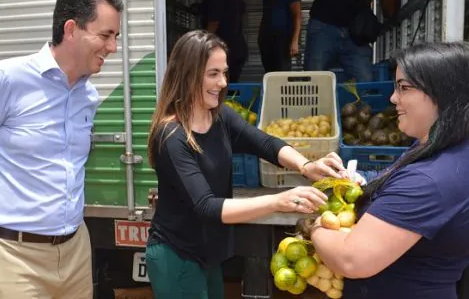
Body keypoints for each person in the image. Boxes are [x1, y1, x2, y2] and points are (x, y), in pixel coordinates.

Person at [0, 0, 123, 298]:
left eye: (116, 37)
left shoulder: (88, 96)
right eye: (106, 35)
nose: (113, 48)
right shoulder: (7, 79)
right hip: (13, 257)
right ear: (71, 29)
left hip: (75, 251)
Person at [145, 30, 347, 298]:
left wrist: (306, 166)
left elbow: (266, 144)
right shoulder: (171, 136)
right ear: (187, 75)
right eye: (213, 73)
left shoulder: (221, 117)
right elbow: (207, 206)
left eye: (224, 72)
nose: (222, 82)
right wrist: (276, 201)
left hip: (207, 253)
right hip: (177, 255)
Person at [310, 41, 469, 299]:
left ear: (442, 92)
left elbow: (351, 259)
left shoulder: (429, 181)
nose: (393, 98)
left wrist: (315, 226)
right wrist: (364, 181)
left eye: (404, 88)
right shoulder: (448, 149)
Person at [304, 0, 398, 82]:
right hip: (325, 26)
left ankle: (359, 103)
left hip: (355, 35)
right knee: (313, 82)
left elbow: (390, 11)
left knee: (365, 82)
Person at [200, 0, 248, 83]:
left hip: (225, 49)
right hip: (237, 48)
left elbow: (214, 21)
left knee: (222, 85)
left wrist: (203, 44)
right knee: (231, 84)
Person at [256, 0, 302, 73]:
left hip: (283, 38)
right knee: (269, 73)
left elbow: (297, 15)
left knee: (282, 73)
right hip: (267, 39)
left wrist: (295, 40)